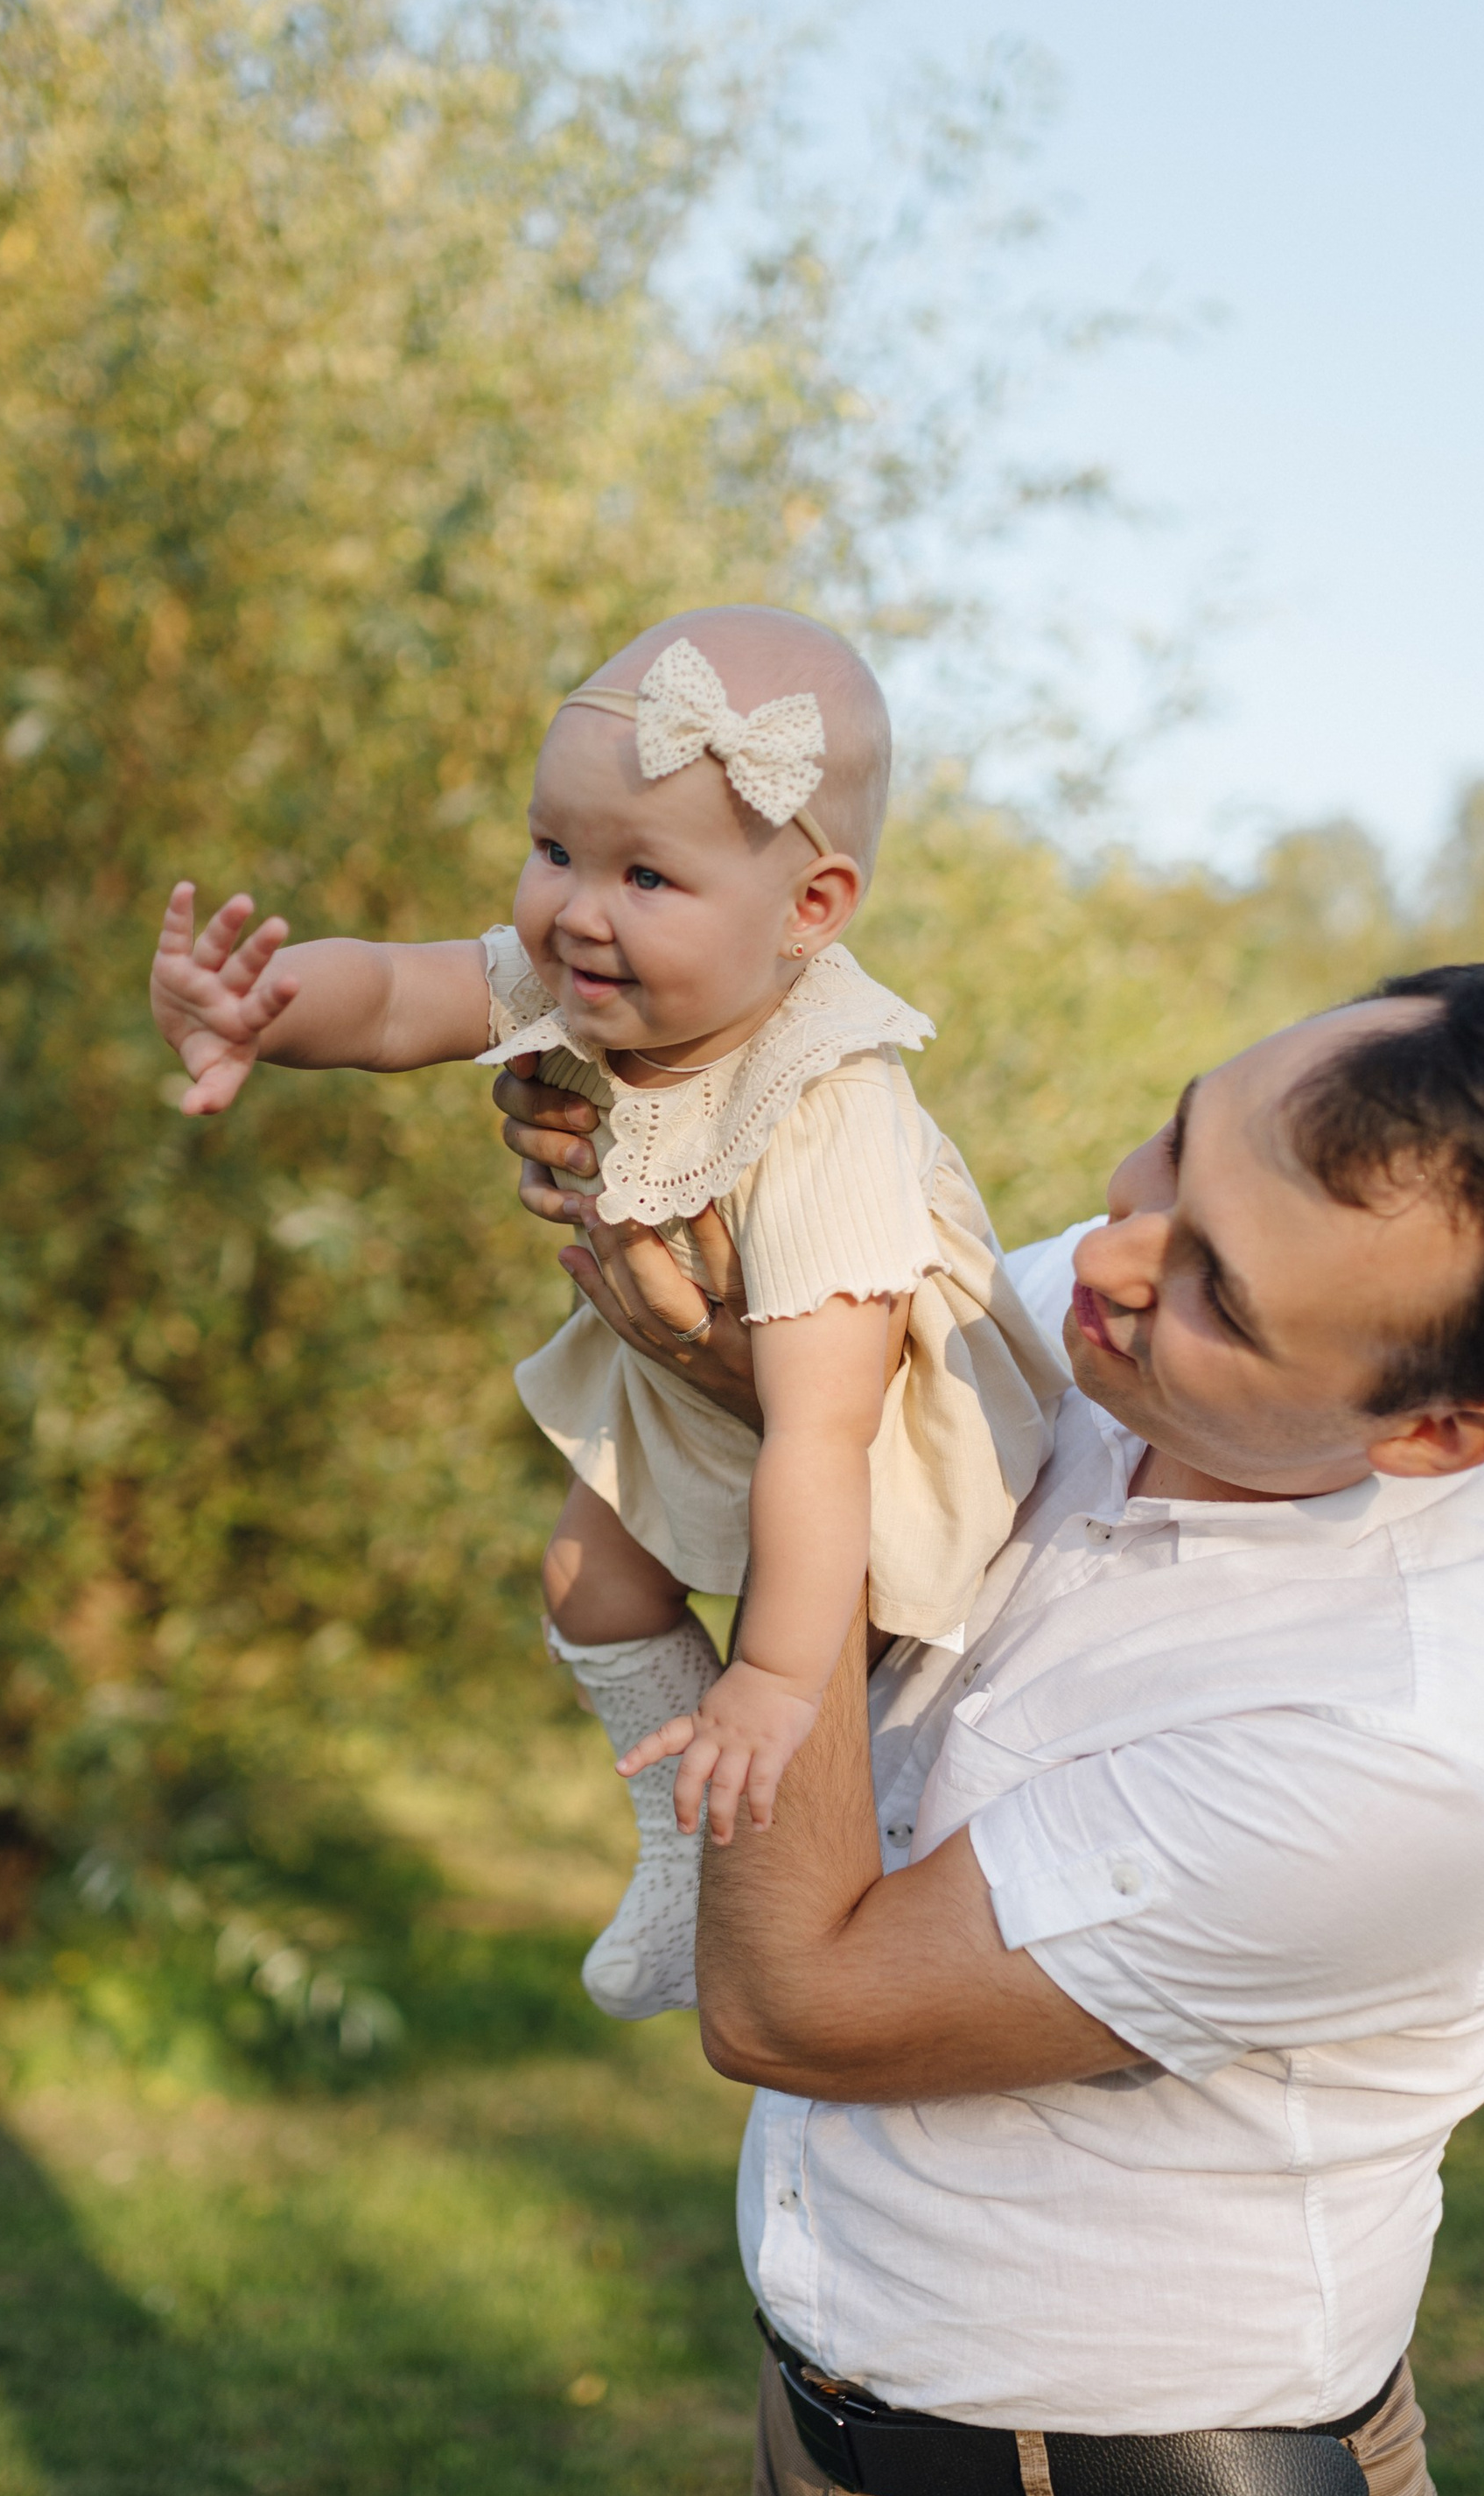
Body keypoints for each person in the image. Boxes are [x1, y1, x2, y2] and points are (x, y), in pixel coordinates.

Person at [494, 959, 1484, 2496]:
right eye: (1170, 1144)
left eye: (1216, 1287)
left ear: (1432, 1427)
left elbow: (798, 1995)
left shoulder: (1393, 1745)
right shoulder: (1123, 1311)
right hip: (842, 2459)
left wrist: (806, 1457)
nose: (1102, 1263)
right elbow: (795, 1344)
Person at [148, 604, 1060, 2019]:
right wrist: (264, 1014)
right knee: (587, 1582)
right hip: (697, 1363)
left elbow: (824, 1428)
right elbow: (399, 995)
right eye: (554, 849)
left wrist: (766, 1680)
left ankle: (781, 1787)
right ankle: (681, 1843)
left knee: (801, 1666)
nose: (576, 907)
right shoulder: (593, 979)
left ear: (809, 912)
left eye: (645, 874)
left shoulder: (827, 1104)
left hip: (869, 1431)